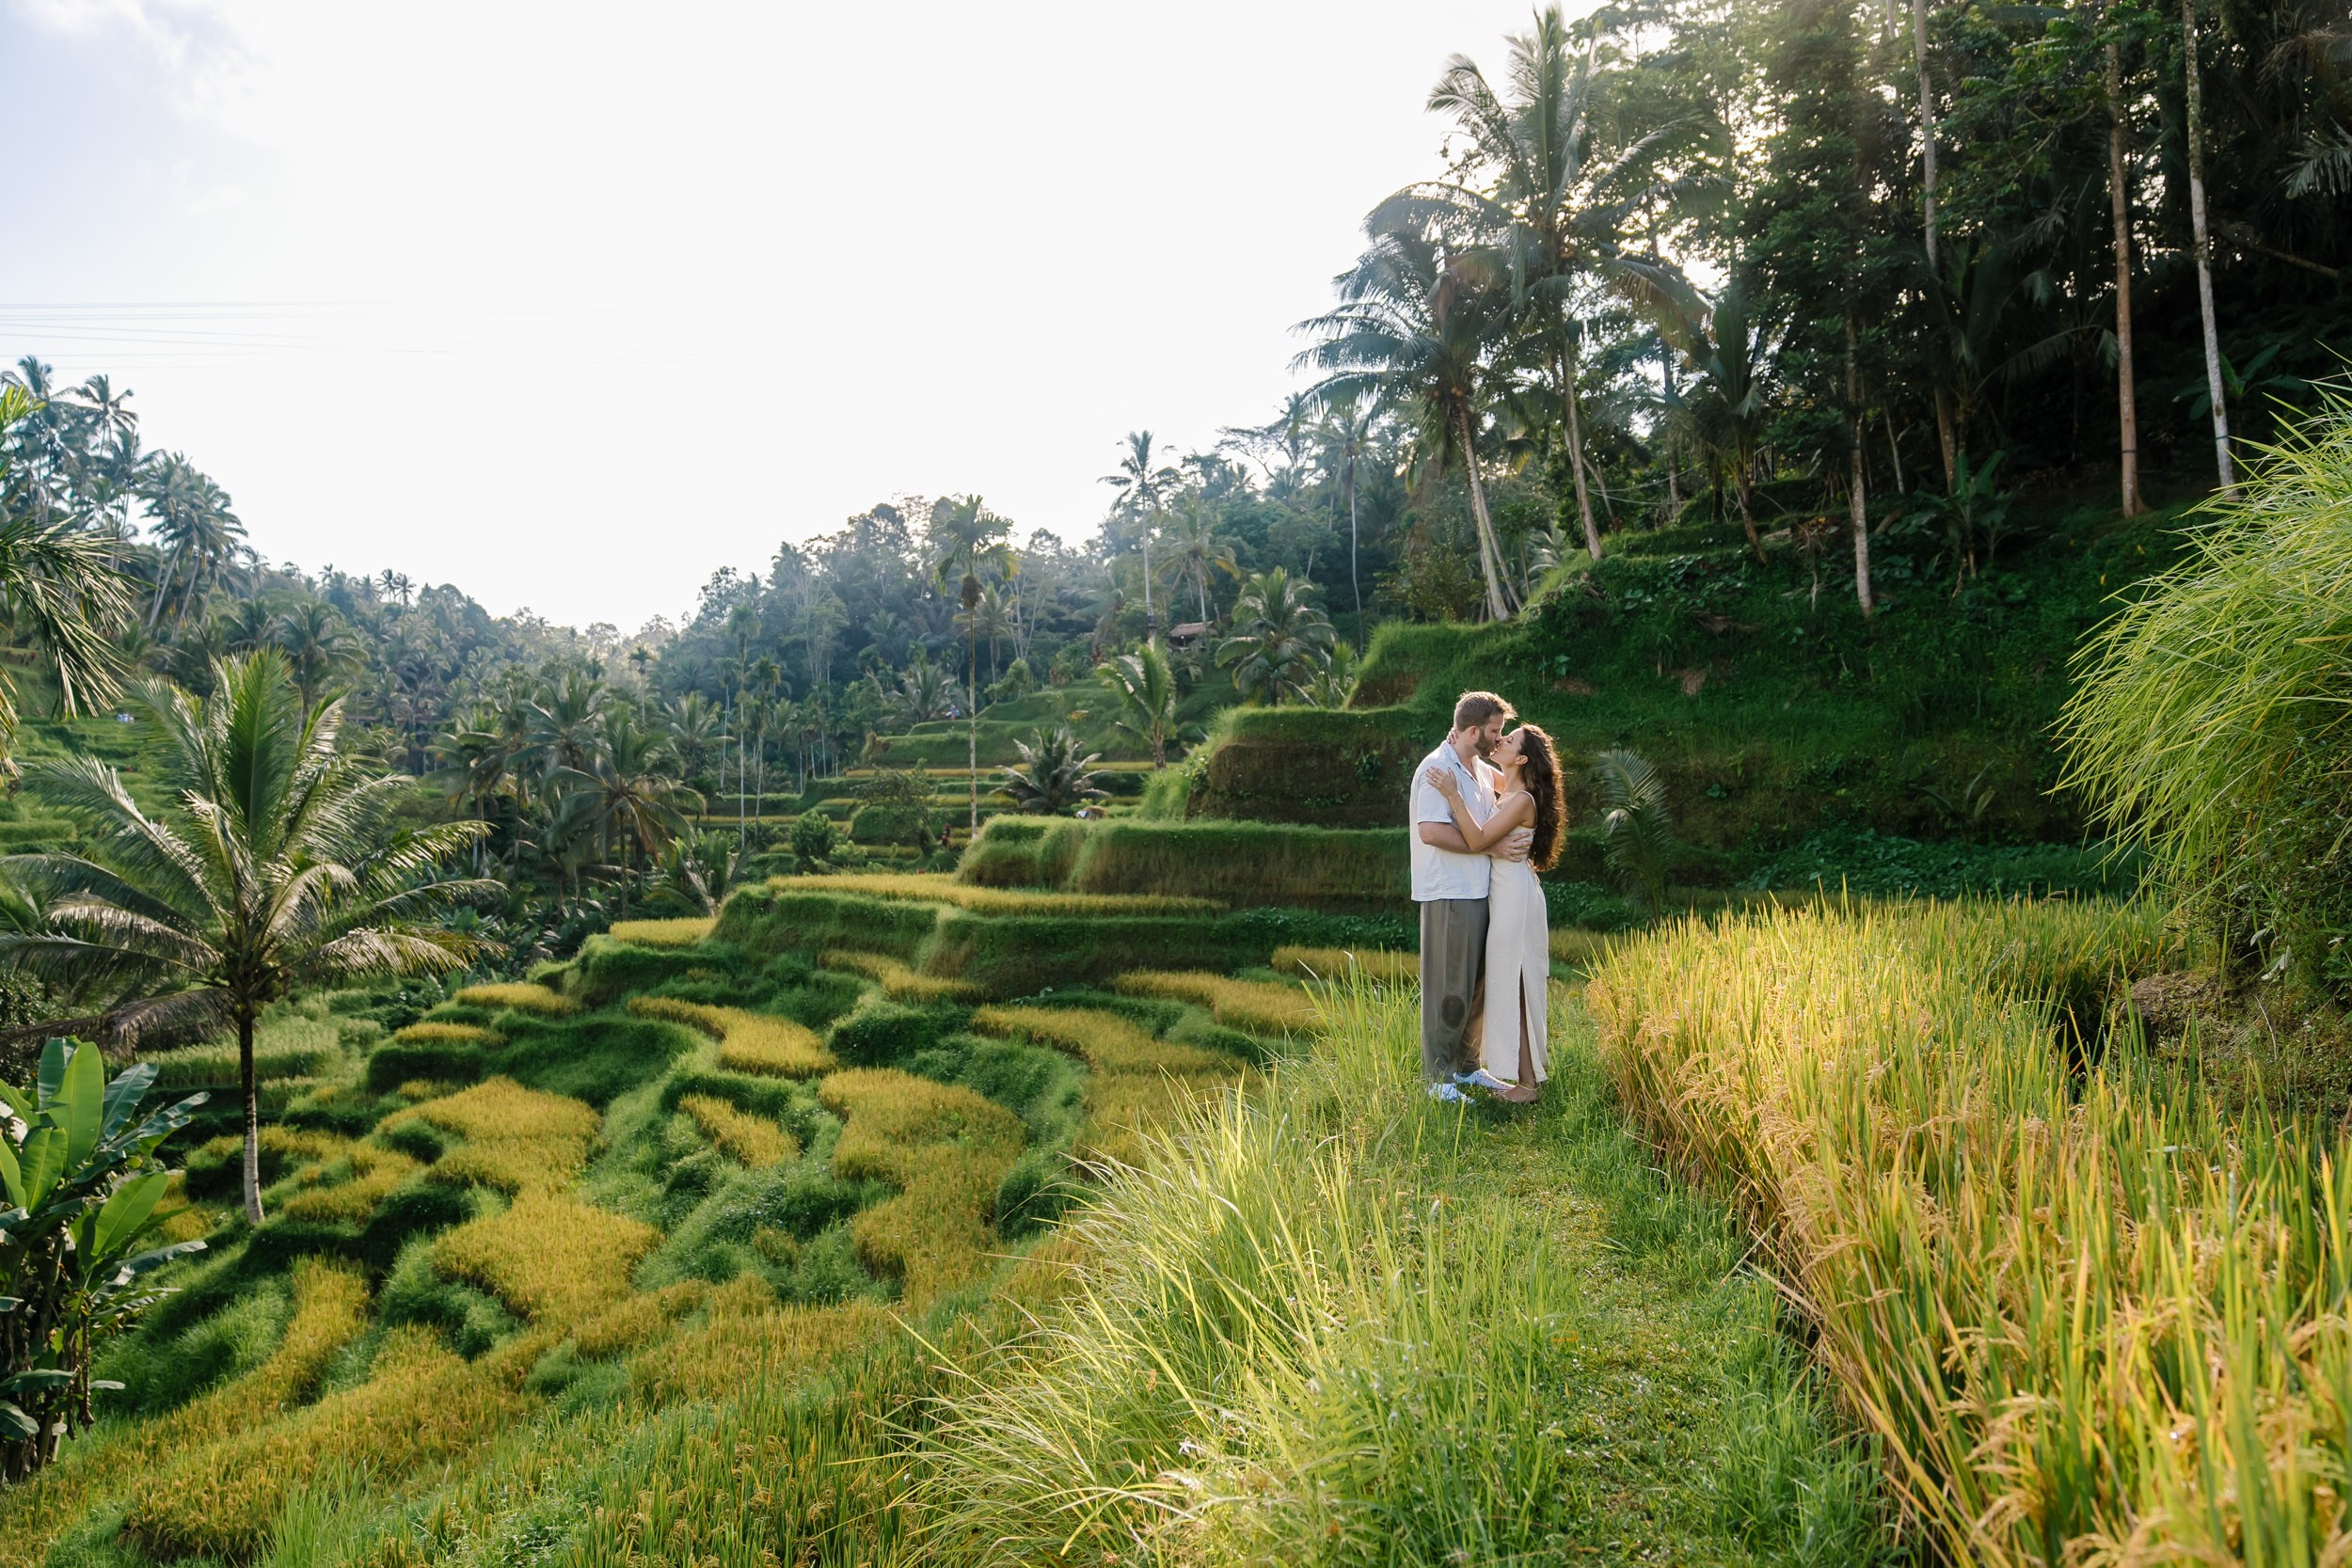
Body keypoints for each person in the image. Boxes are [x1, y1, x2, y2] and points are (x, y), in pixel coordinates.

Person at [1421, 722, 1565, 1103]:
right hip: (1504, 893)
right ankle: (1521, 1077)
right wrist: (1460, 745)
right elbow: (1482, 772)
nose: (1500, 740)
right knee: (1507, 982)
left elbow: (1478, 838)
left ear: (1521, 759)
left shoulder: (1521, 800)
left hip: (1514, 896)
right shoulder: (1511, 787)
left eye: (1509, 739)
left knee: (1517, 984)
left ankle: (1528, 1084)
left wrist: (1453, 795)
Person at [1410, 691, 1534, 1103]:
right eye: (1495, 731)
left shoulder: (1478, 768)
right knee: (1449, 986)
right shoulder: (1437, 768)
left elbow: (1516, 783)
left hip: (1479, 891)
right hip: (1449, 891)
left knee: (1475, 986)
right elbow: (1431, 832)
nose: (1499, 739)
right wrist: (1491, 847)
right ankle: (1437, 1077)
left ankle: (1466, 1066)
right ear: (1474, 731)